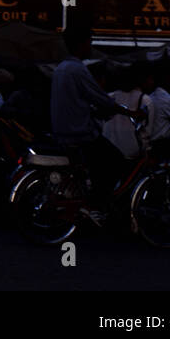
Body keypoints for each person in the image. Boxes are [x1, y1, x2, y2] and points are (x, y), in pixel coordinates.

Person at [51, 24, 138, 222]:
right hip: (80, 133)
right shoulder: (77, 69)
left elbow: (81, 101)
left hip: (65, 131)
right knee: (116, 162)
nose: (90, 46)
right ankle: (96, 205)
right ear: (80, 44)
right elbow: (101, 98)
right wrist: (128, 111)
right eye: (89, 42)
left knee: (95, 167)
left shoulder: (61, 69)